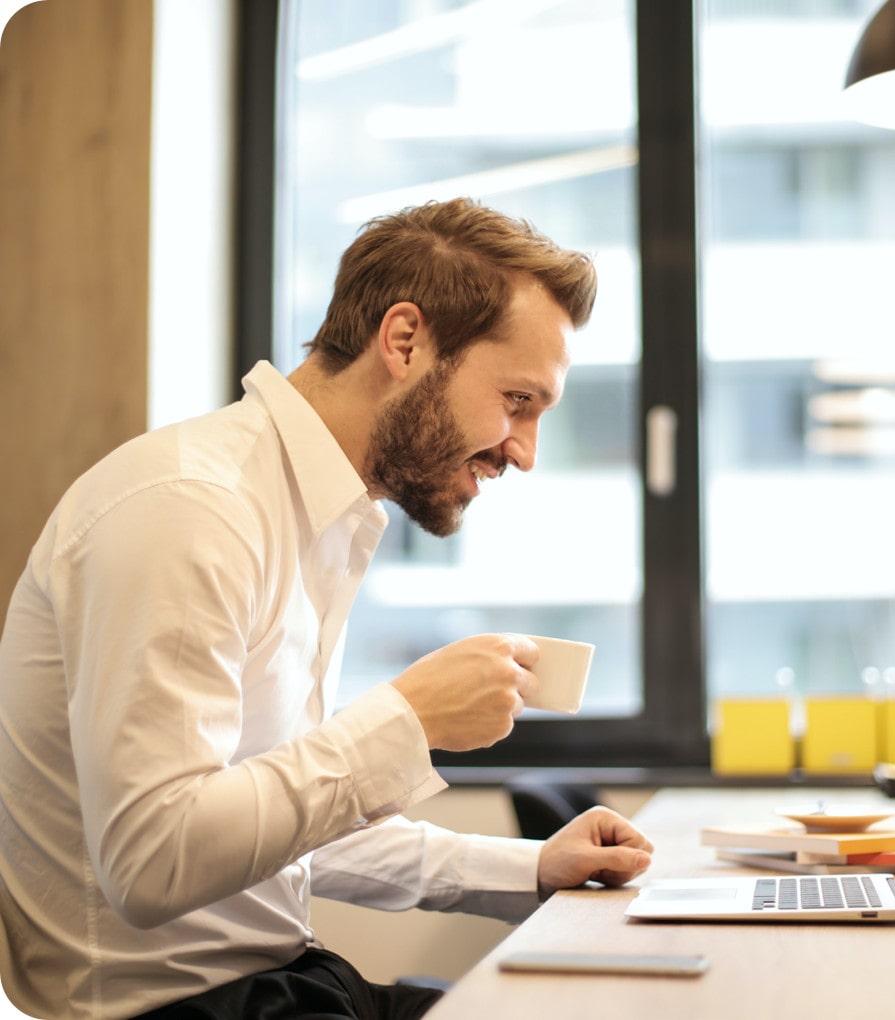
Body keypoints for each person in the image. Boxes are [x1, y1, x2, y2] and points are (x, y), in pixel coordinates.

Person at [0, 198, 654, 1020]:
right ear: (405, 341)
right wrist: (404, 720)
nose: (522, 451)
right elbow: (153, 861)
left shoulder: (316, 515)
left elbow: (274, 830)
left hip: (279, 987)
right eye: (517, 401)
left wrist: (524, 869)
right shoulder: (189, 509)